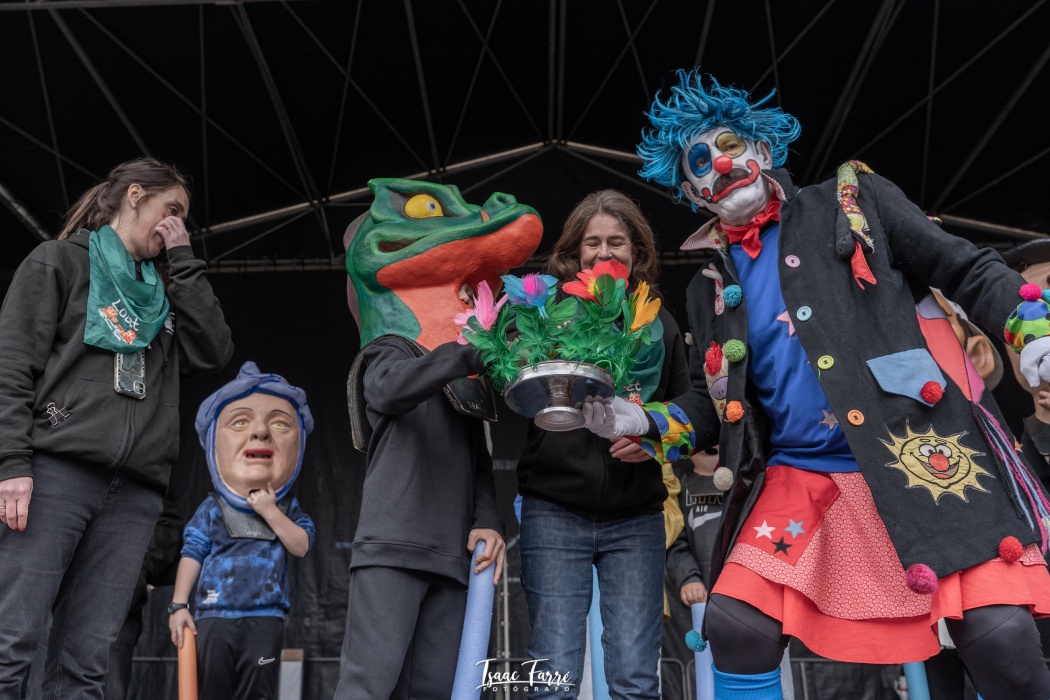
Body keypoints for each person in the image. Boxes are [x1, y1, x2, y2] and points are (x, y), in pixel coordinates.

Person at [581, 69, 1050, 700]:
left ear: (762, 149)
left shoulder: (853, 201)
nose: (722, 164)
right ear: (692, 192)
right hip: (801, 479)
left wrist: (1030, 327)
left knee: (1001, 642)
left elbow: (963, 266)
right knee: (736, 624)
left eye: (730, 145)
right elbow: (713, 405)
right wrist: (644, 421)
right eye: (702, 162)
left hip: (919, 455)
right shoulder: (705, 289)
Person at [0, 157, 233, 698]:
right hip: (55, 472)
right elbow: (11, 366)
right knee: (11, 641)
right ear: (134, 195)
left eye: (183, 218)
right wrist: (11, 462)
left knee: (88, 662)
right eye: (171, 210)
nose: (176, 224)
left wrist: (183, 259)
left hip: (134, 493)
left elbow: (214, 349)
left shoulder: (165, 294)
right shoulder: (59, 262)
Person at [335, 178, 517, 700]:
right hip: (392, 548)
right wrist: (468, 350)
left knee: (436, 689)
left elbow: (479, 461)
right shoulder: (389, 349)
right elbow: (388, 391)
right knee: (368, 687)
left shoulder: (463, 376)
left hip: (454, 559)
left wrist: (488, 520)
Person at [515, 189, 690, 699]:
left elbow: (693, 408)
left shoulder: (659, 322)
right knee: (554, 678)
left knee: (636, 679)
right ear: (575, 251)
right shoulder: (545, 313)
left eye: (617, 241)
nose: (604, 252)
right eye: (592, 242)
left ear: (637, 251)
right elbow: (513, 388)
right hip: (554, 511)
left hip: (636, 519)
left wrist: (652, 439)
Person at [168, 362, 315, 700]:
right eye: (241, 421)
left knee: (257, 693)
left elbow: (301, 545)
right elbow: (192, 552)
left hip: (265, 617)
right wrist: (178, 606)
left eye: (279, 423)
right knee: (211, 690)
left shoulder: (289, 508)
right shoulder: (212, 508)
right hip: (214, 615)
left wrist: (270, 511)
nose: (260, 432)